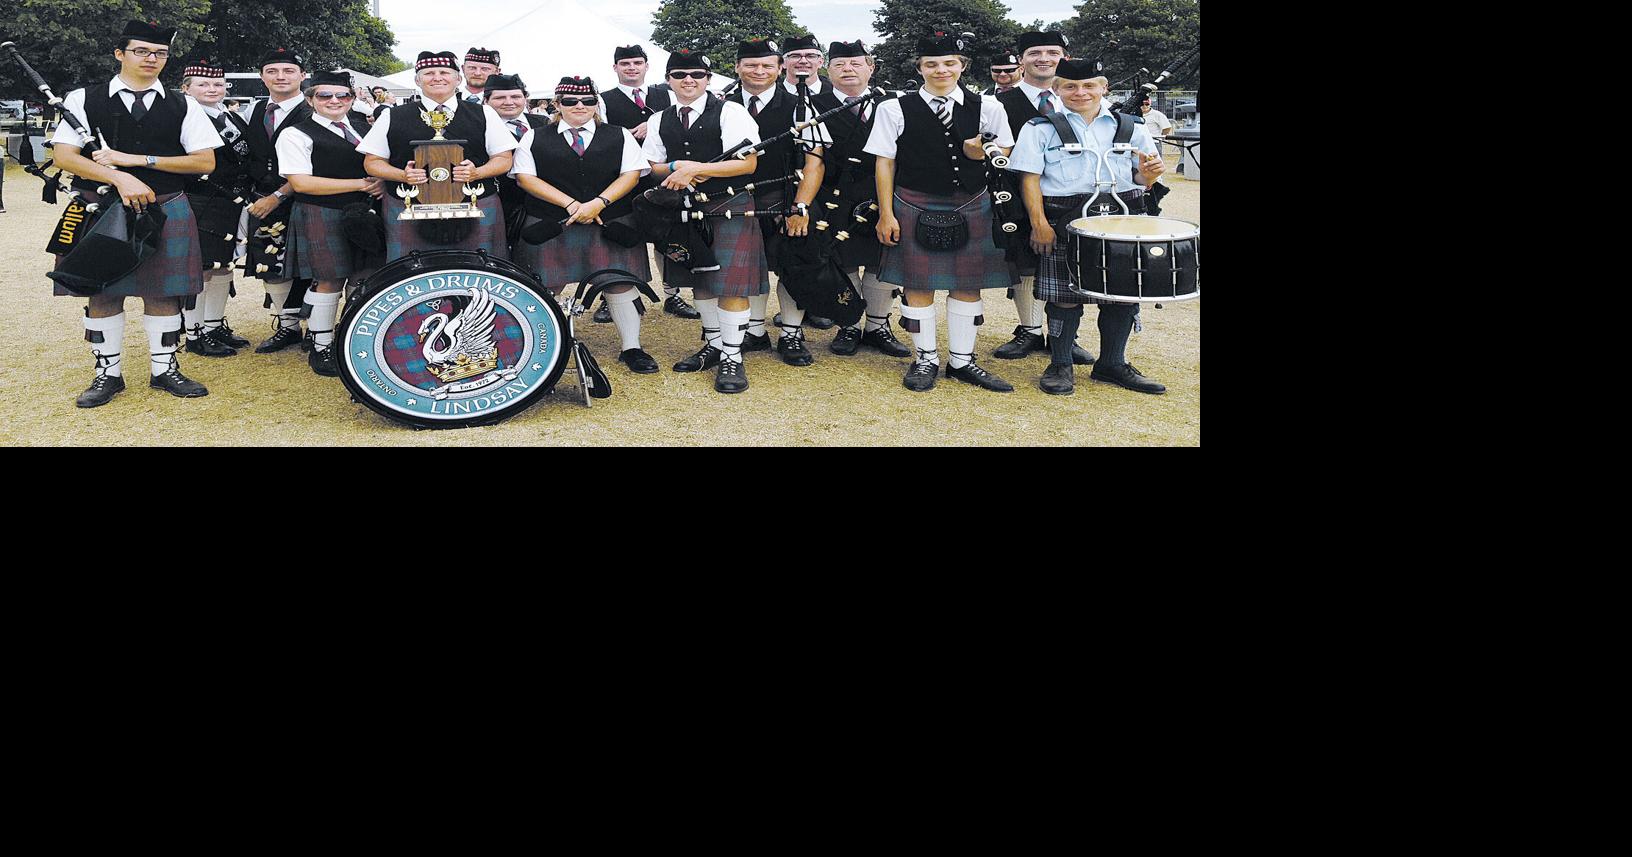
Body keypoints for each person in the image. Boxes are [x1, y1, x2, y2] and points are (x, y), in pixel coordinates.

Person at [48, 19, 223, 407]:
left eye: (160, 53)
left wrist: (139, 161)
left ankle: (164, 369)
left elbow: (203, 161)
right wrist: (119, 178)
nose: (152, 59)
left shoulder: (184, 104)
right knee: (102, 291)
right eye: (141, 51)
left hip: (166, 206)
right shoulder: (83, 99)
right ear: (119, 53)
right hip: (102, 205)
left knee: (163, 291)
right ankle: (107, 374)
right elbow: (64, 156)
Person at [865, 31, 1017, 393]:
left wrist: (976, 152)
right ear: (919, 67)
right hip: (912, 203)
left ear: (962, 66)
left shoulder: (989, 106)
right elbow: (884, 163)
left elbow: (1006, 150)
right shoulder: (893, 108)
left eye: (949, 63)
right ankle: (925, 359)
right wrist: (886, 213)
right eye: (931, 64)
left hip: (971, 202)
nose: (940, 70)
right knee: (917, 285)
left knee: (967, 285)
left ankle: (962, 361)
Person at [1006, 58, 1168, 396]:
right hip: (1064, 219)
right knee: (1065, 296)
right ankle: (1061, 363)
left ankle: (1112, 363)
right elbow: (1029, 180)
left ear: (1103, 87)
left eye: (1089, 85)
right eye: (1070, 86)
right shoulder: (1040, 128)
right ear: (1056, 89)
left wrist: (1149, 176)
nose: (1081, 92)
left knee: (1122, 295)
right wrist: (1038, 224)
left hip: (1124, 221)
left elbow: (1142, 178)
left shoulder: (1133, 127)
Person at [512, 76, 657, 374]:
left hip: (610, 220)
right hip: (552, 221)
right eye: (570, 101)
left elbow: (631, 174)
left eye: (588, 100)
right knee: (544, 285)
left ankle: (632, 347)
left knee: (620, 283)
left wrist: (598, 203)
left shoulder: (619, 135)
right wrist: (571, 205)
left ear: (596, 104)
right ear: (557, 104)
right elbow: (526, 177)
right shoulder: (534, 136)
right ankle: (548, 346)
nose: (580, 106)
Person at [641, 48, 762, 393]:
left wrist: (698, 168)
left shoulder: (731, 111)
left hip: (731, 204)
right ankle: (714, 344)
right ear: (668, 81)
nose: (688, 80)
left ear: (709, 79)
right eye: (680, 75)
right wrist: (678, 168)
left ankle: (733, 356)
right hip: (683, 207)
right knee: (701, 280)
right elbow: (652, 167)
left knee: (731, 284)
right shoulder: (657, 119)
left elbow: (747, 164)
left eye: (696, 74)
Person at [275, 69, 386, 376]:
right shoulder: (295, 133)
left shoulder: (365, 127)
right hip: (322, 210)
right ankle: (321, 348)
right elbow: (301, 183)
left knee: (365, 276)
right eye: (325, 95)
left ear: (352, 99)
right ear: (310, 99)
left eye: (343, 95)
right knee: (329, 280)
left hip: (365, 213)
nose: (334, 101)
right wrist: (362, 184)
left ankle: (350, 340)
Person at [358, 50, 517, 260]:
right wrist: (402, 176)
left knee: (480, 274)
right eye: (429, 73)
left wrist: (477, 173)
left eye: (444, 72)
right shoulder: (391, 115)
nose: (437, 77)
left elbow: (504, 159)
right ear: (417, 79)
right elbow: (372, 162)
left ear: (458, 78)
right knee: (409, 277)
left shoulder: (484, 113)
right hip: (408, 207)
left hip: (475, 205)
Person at [992, 30, 1091, 366]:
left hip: (1072, 197)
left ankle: (1066, 336)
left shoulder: (1078, 97)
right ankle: (1029, 329)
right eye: (1035, 52)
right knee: (1025, 262)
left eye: (1053, 52)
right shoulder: (1000, 103)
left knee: (1067, 266)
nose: (1044, 58)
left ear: (1065, 56)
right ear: (1021, 60)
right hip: (1016, 194)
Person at [727, 37, 827, 367]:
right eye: (751, 64)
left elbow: (815, 161)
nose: (759, 71)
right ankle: (754, 331)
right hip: (737, 200)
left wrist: (800, 207)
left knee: (793, 266)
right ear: (737, 67)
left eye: (768, 65)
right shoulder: (722, 104)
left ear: (779, 68)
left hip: (787, 198)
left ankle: (791, 333)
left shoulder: (801, 106)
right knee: (747, 268)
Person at [812, 39, 909, 359]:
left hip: (886, 190)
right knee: (845, 260)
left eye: (856, 63)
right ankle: (850, 324)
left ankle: (878, 326)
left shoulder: (893, 103)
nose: (848, 69)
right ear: (828, 70)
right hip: (835, 193)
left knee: (883, 259)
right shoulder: (815, 104)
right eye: (839, 64)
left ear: (871, 67)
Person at [599, 44, 696, 320]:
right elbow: (601, 135)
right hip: (622, 179)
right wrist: (627, 134)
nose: (632, 68)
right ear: (615, 67)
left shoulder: (667, 93)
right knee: (620, 237)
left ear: (646, 66)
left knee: (668, 236)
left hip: (664, 178)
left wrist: (653, 125)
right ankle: (613, 295)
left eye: (637, 63)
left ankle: (672, 295)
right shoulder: (604, 99)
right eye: (625, 63)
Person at [178, 61, 253, 357]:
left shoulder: (231, 115)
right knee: (203, 267)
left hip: (231, 200)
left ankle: (213, 324)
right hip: (202, 198)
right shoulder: (184, 117)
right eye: (203, 85)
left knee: (224, 264)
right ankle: (194, 334)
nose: (212, 89)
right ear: (186, 89)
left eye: (218, 84)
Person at [242, 46, 314, 354]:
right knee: (269, 266)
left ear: (302, 76)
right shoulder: (253, 111)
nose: (280, 77)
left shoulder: (316, 109)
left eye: (288, 71)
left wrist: (279, 194)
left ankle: (317, 329)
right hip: (262, 200)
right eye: (272, 71)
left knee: (312, 266)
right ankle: (288, 326)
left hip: (307, 199)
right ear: (262, 76)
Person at [483, 73, 548, 251]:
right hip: (501, 204)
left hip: (543, 205)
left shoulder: (543, 122)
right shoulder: (479, 126)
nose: (509, 101)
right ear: (486, 100)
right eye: (500, 97)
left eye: (516, 96)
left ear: (525, 98)